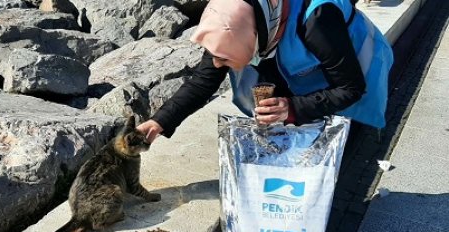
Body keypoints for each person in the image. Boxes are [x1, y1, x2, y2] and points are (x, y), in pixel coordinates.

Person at [136, 0, 393, 142]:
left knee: (339, 140)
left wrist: (292, 108)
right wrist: (160, 121)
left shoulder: (318, 21)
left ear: (255, 38)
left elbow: (351, 88)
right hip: (300, 66)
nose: (217, 63)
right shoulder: (237, 19)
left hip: (353, 66)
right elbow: (204, 80)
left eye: (224, 59)